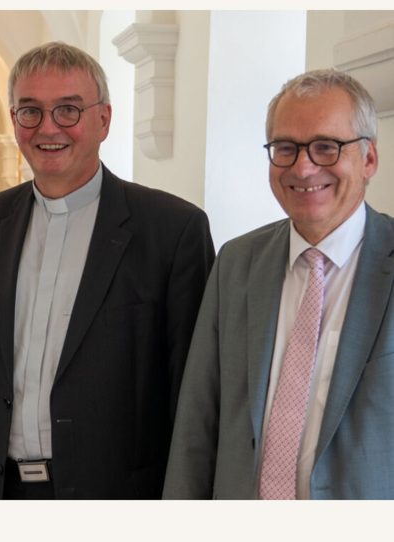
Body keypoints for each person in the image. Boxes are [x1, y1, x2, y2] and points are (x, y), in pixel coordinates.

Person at [0, 41, 214, 499]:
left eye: (68, 110)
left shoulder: (173, 231)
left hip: (117, 496)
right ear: (14, 121)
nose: (48, 127)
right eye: (31, 111)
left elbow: (194, 395)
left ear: (103, 119)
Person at [163, 69, 392, 499]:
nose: (304, 167)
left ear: (368, 159)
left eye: (326, 147)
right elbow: (198, 425)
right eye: (286, 148)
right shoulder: (237, 262)